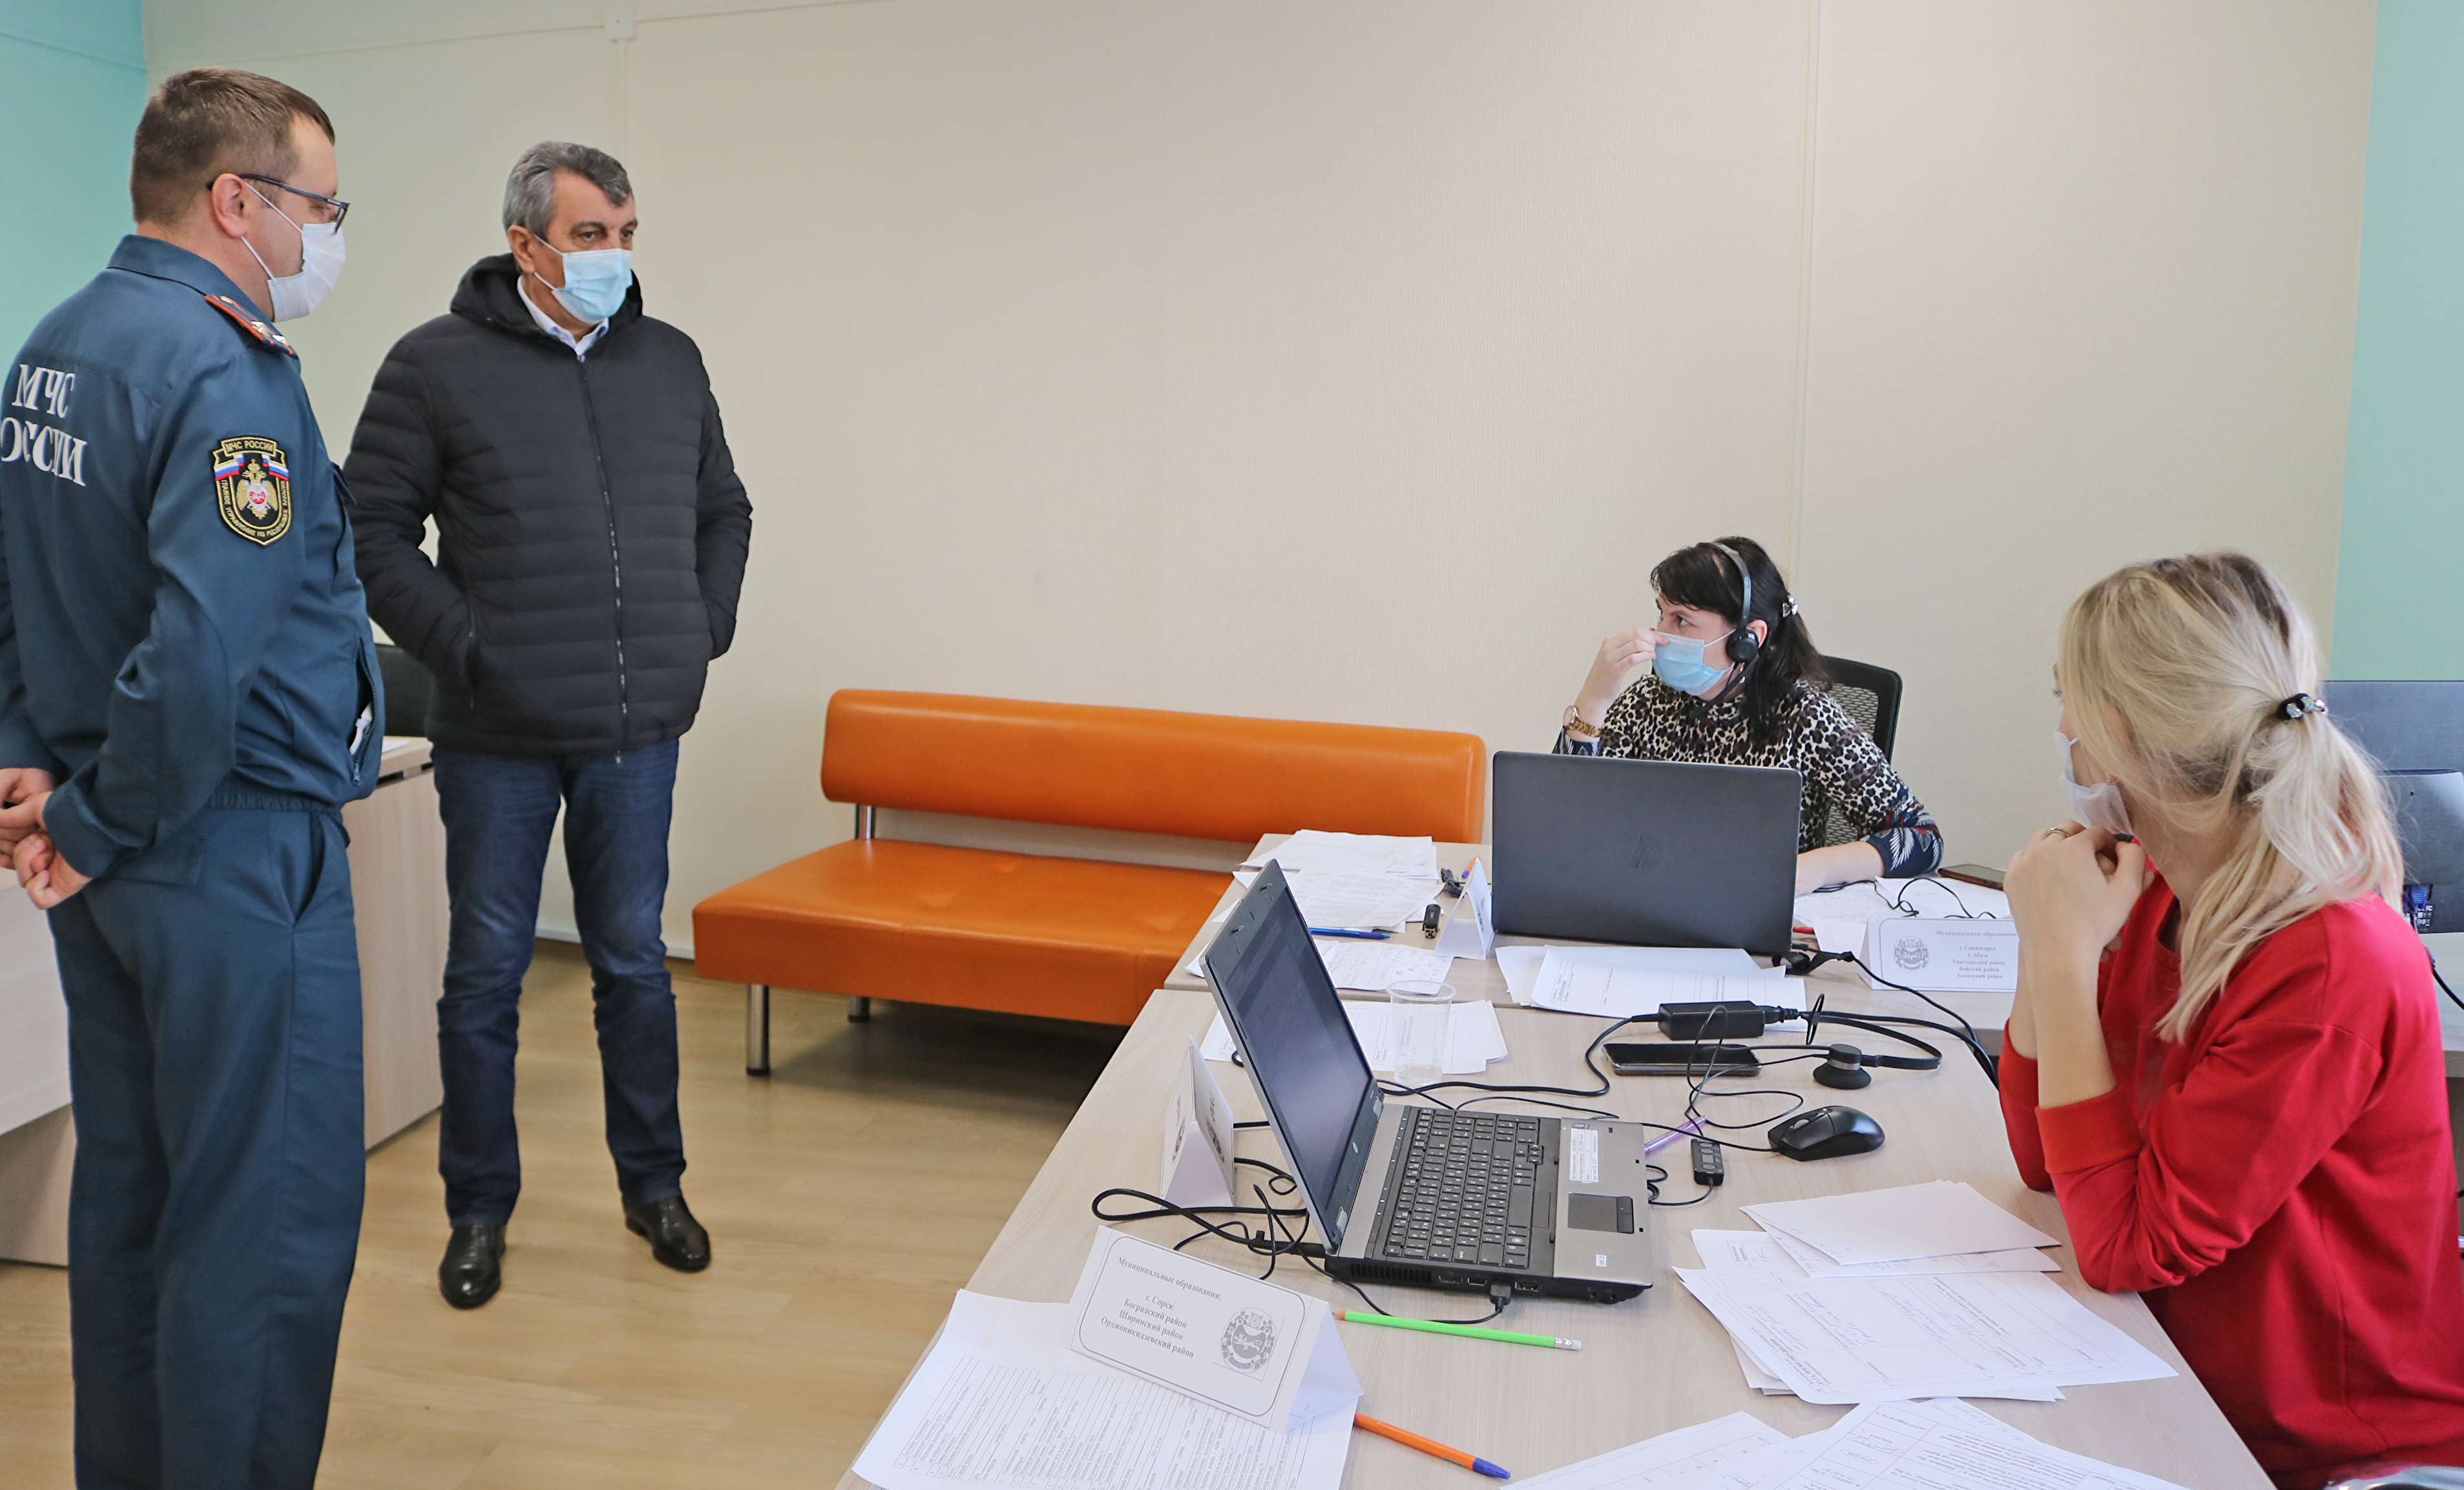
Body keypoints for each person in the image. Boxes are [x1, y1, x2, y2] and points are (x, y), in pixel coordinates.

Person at [0, 68, 381, 1486]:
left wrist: (32, 774)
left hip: (109, 855)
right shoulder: (229, 372)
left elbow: (17, 585)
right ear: (236, 200)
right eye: (319, 206)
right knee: (261, 1229)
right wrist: (92, 819)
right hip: (224, 843)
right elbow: (204, 651)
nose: (325, 236)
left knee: (138, 1201)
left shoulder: (57, 343)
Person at [345, 141, 753, 1310]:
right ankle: (477, 1212)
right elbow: (370, 531)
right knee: (485, 974)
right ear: (526, 245)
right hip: (497, 735)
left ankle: (655, 1187)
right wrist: (468, 645)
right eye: (589, 236)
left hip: (636, 727)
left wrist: (701, 626)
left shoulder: (668, 359)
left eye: (624, 234)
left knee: (632, 961)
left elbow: (722, 507)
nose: (613, 255)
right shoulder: (432, 364)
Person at [2001, 552, 2464, 1485]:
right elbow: (2044, 1161)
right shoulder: (2153, 888)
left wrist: (2058, 955)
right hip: (2178, 1376)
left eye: (2067, 702)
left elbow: (2123, 1245)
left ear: (2121, 732)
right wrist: (2051, 941)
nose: (2060, 731)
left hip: (2334, 1453)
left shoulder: (2328, 963)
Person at [1557, 536, 1941, 892]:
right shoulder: (1650, 699)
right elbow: (1563, 821)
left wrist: (1815, 869)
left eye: (1682, 620)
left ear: (1748, 638)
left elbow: (1921, 837)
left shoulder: (1806, 716)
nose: (1660, 635)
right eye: (1662, 614)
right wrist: (1594, 700)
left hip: (1754, 917)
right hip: (1651, 900)